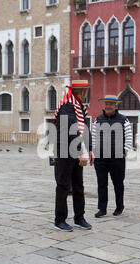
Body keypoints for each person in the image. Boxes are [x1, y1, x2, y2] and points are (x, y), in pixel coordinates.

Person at [53, 80, 93, 232]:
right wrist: (80, 153)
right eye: (85, 92)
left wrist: (89, 149)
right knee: (63, 186)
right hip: (64, 152)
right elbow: (72, 131)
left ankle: (79, 217)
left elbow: (84, 129)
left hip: (74, 151)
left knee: (78, 186)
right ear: (81, 93)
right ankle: (59, 220)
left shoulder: (78, 108)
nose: (86, 95)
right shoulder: (67, 107)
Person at [92, 95, 132, 218]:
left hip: (117, 157)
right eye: (106, 104)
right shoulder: (98, 120)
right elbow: (93, 137)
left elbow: (129, 137)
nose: (108, 106)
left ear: (115, 106)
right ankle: (102, 209)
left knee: (118, 184)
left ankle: (119, 207)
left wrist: (125, 151)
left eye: (110, 104)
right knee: (101, 184)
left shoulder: (123, 120)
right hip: (101, 158)